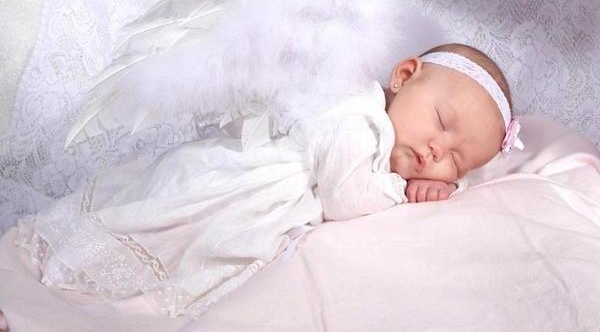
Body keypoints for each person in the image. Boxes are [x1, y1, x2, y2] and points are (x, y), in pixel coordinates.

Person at [14, 41, 521, 317]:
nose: (436, 152)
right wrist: (403, 192)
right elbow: (347, 198)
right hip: (232, 188)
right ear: (404, 77)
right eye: (441, 122)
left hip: (254, 193)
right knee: (166, 240)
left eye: (457, 161)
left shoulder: (382, 132)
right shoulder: (356, 117)